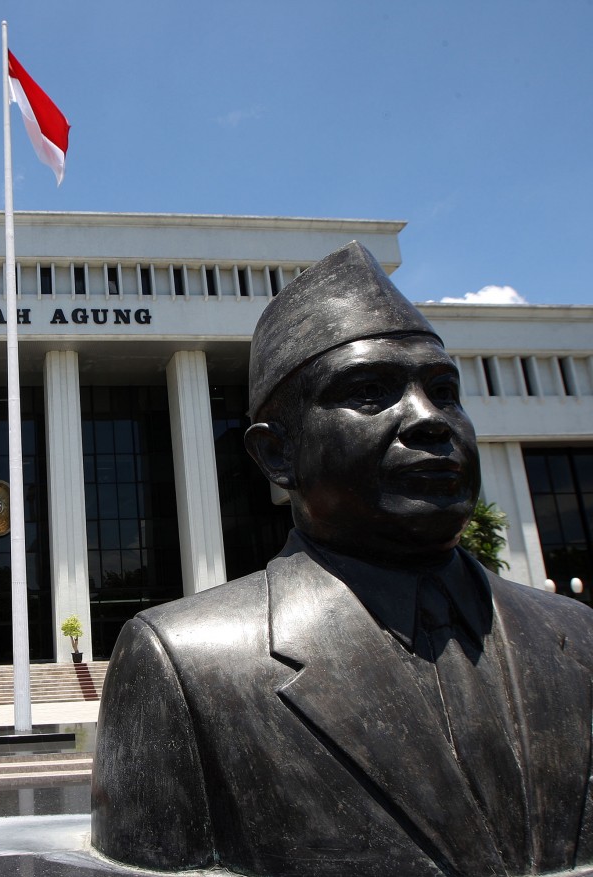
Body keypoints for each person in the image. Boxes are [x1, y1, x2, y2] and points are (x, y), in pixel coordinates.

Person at [90, 242, 593, 877]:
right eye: (370, 392)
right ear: (277, 457)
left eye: (444, 391)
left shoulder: (575, 636)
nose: (430, 420)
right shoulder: (182, 663)